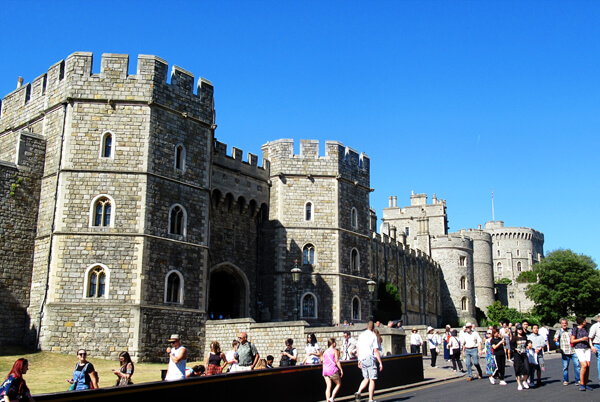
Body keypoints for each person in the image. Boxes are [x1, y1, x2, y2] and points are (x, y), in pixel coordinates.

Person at [355, 321, 383, 402]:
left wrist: (358, 361)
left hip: (362, 358)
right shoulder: (373, 336)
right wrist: (380, 362)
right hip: (370, 358)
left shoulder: (361, 335)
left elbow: (358, 349)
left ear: (367, 326)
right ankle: (370, 399)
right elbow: (376, 350)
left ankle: (358, 392)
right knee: (372, 379)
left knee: (366, 378)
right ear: (373, 328)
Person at [554, 317, 581, 386]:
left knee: (577, 365)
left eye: (565, 323)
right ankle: (565, 380)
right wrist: (556, 339)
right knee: (565, 367)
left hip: (573, 350)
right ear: (561, 324)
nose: (564, 325)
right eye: (563, 323)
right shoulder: (559, 331)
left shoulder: (571, 330)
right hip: (564, 351)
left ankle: (577, 380)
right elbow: (555, 338)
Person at [571, 316, 592, 391]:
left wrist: (591, 346)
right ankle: (581, 383)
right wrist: (581, 339)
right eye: (584, 320)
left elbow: (589, 338)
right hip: (579, 348)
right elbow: (572, 341)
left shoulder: (586, 328)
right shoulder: (575, 329)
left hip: (587, 348)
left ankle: (586, 383)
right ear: (581, 321)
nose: (585, 321)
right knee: (584, 365)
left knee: (588, 365)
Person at [322, 338, 343, 402]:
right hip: (332, 370)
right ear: (332, 343)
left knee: (328, 386)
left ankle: (327, 400)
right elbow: (337, 361)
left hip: (325, 370)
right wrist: (341, 369)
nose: (335, 343)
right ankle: (332, 398)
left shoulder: (325, 352)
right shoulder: (334, 351)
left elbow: (323, 362)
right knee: (338, 384)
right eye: (335, 342)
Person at [511, 324, 530, 390]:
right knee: (518, 369)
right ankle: (519, 384)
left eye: (521, 329)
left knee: (527, 368)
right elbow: (512, 346)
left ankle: (524, 380)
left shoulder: (524, 337)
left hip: (524, 354)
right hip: (517, 355)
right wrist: (516, 349)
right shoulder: (515, 338)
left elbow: (527, 343)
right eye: (519, 329)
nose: (520, 330)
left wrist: (529, 345)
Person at [588, 313, 600, 385]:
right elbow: (590, 338)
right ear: (598, 319)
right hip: (598, 345)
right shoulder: (595, 326)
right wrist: (592, 346)